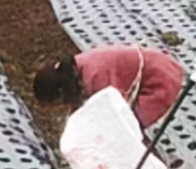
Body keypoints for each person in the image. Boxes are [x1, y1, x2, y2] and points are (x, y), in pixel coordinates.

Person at [34, 44, 184, 129]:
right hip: (155, 65)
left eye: (57, 102)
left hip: (161, 78)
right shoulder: (74, 68)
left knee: (131, 125)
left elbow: (111, 109)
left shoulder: (96, 77)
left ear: (61, 90)